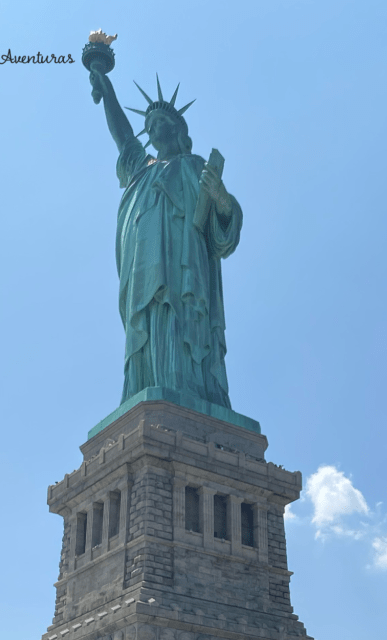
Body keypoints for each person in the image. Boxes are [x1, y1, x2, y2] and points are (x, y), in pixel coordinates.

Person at [88, 70, 243, 408]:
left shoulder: (194, 166)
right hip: (143, 269)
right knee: (147, 325)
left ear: (178, 128)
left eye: (161, 122)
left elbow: (225, 230)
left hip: (183, 269)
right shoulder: (140, 169)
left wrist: (219, 197)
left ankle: (188, 394)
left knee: (180, 321)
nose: (154, 128)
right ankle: (146, 393)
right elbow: (123, 136)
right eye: (151, 124)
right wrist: (108, 91)